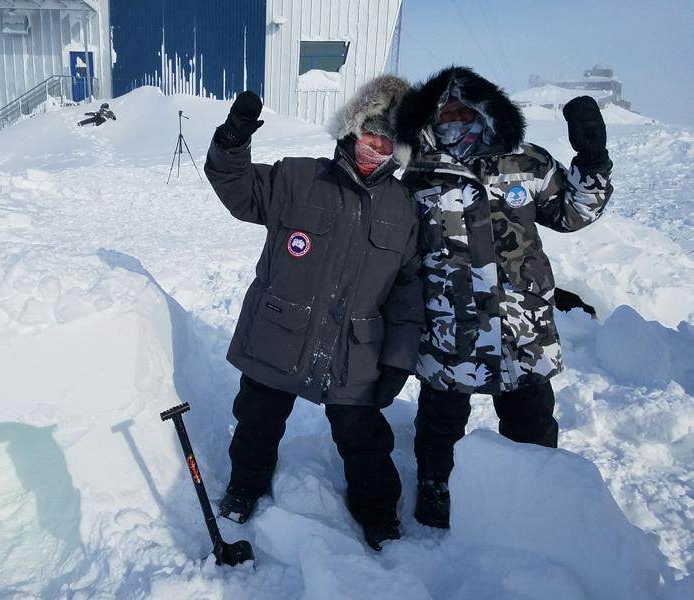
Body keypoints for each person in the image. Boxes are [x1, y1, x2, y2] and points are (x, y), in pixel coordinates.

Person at [203, 75, 422, 549]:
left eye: (386, 142)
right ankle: (246, 486)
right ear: (351, 130)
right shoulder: (298, 178)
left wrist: (398, 360)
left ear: (399, 150)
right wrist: (232, 140)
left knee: (364, 440)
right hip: (279, 333)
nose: (373, 149)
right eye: (369, 135)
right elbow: (235, 185)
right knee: (256, 422)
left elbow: (408, 293)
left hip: (355, 350)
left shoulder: (404, 208)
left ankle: (378, 512)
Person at [390, 66, 613, 528]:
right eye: (443, 109)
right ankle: (437, 488)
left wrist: (592, 162)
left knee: (533, 425)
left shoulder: (527, 161)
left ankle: (536, 498)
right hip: (449, 326)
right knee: (439, 426)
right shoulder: (415, 177)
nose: (453, 114)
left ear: (485, 111)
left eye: (463, 108)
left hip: (521, 326)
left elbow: (571, 214)